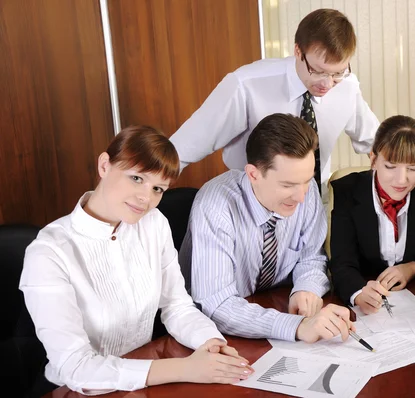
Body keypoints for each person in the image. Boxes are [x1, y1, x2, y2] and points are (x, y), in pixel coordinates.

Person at [20, 126, 252, 395]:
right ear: (105, 165)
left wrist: (210, 343)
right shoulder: (49, 252)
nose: (146, 198)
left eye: (158, 188)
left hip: (141, 380)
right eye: (136, 178)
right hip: (72, 389)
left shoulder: (153, 224)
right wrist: (186, 368)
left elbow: (177, 307)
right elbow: (75, 366)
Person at [180, 113, 354, 343]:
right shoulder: (215, 205)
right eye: (288, 185)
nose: (301, 196)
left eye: (306, 180)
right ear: (253, 175)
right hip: (211, 335)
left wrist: (306, 289)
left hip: (271, 308)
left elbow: (312, 257)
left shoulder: (304, 187)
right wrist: (298, 326)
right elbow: (217, 304)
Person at [170, 8, 379, 193]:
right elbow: (184, 148)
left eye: (337, 73)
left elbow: (378, 144)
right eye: (318, 71)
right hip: (250, 203)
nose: (327, 84)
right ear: (298, 51)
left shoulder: (347, 87)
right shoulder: (246, 84)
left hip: (314, 203)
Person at [328, 115, 415, 313]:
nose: (402, 180)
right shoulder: (347, 190)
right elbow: (342, 262)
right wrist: (358, 293)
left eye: (413, 168)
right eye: (390, 167)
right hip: (368, 302)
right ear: (373, 159)